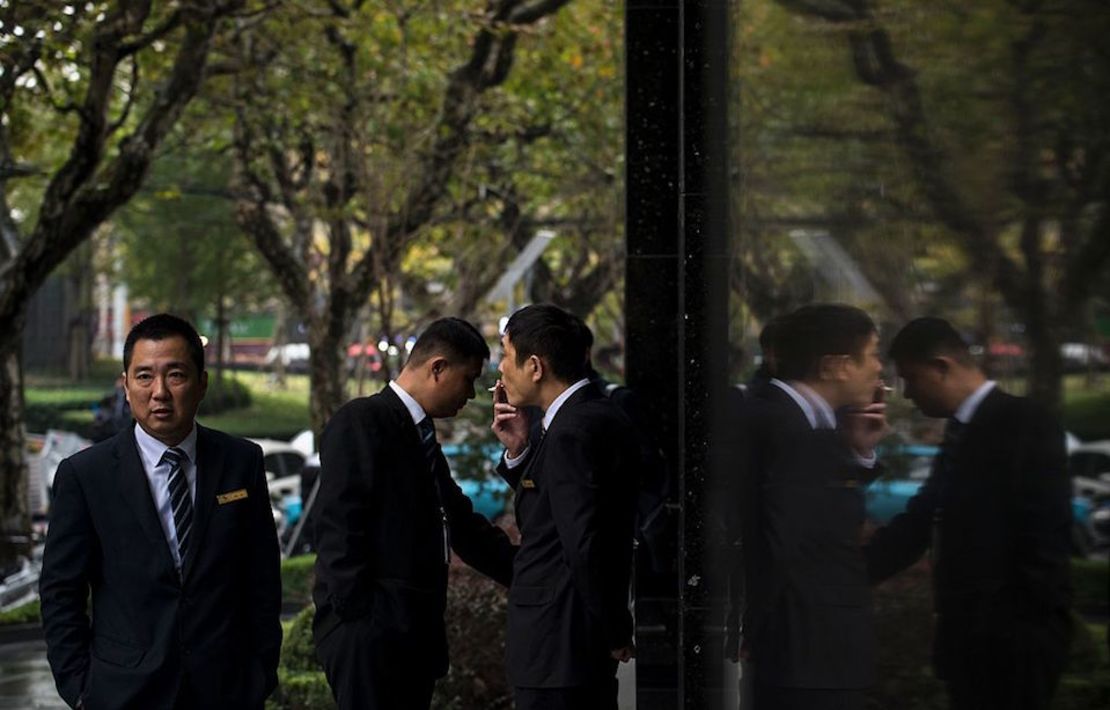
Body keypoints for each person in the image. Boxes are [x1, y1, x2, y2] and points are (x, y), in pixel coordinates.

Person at [40, 313, 282, 710]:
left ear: (201, 383)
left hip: (227, 688)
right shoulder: (86, 475)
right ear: (125, 385)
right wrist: (81, 689)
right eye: (144, 377)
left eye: (175, 375)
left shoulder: (242, 461)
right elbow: (60, 591)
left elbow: (262, 576)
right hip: (123, 692)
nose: (159, 393)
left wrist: (260, 672)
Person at [866, 317, 1072, 710]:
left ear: (942, 367)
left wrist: (1021, 634)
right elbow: (922, 519)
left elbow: (1045, 536)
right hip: (970, 644)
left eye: (910, 379)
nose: (907, 394)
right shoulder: (961, 431)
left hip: (1013, 647)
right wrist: (849, 573)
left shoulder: (1024, 422)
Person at [312, 317, 517, 710]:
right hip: (370, 640)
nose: (471, 394)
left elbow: (461, 523)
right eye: (468, 379)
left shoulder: (418, 433)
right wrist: (362, 622)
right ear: (437, 367)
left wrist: (529, 573)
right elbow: (339, 528)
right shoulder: (362, 421)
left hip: (410, 639)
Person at [738, 303, 887, 710]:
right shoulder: (776, 424)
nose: (879, 368)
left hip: (810, 652)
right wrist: (755, 627)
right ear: (835, 366)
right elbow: (781, 539)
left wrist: (857, 453)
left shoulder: (812, 425)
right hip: (805, 652)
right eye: (872, 354)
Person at [491, 303, 638, 710]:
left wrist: (613, 629)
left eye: (505, 354)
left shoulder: (575, 428)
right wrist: (520, 451)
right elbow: (552, 508)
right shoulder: (574, 419)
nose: (500, 369)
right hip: (562, 645)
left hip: (561, 643)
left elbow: (584, 541)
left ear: (535, 366)